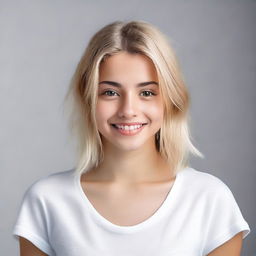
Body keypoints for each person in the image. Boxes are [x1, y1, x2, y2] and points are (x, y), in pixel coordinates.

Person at [12, 20, 250, 256]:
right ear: (88, 99)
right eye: (110, 92)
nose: (128, 110)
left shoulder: (209, 199)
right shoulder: (47, 200)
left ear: (170, 101)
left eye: (146, 93)